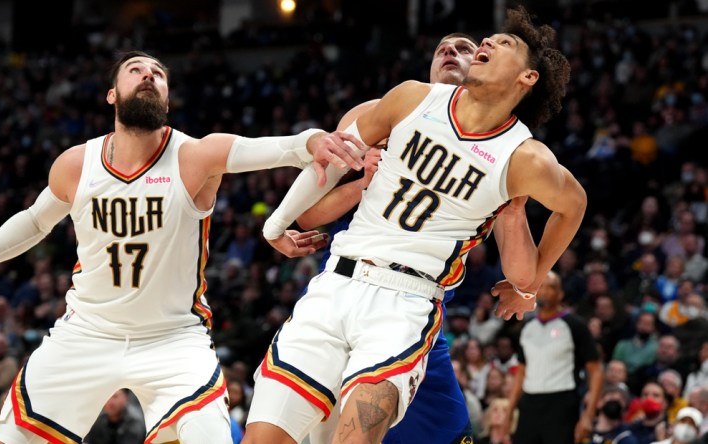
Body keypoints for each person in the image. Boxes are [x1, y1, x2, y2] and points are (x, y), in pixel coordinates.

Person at [0, 50, 364, 444]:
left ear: (167, 99)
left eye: (158, 73)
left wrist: (312, 141)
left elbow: (278, 148)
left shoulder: (194, 156)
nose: (149, 75)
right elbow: (34, 220)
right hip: (87, 331)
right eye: (136, 70)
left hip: (172, 338)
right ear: (112, 95)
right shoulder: (77, 164)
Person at [243, 6, 586, 443]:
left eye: (502, 43)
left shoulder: (523, 158)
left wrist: (531, 284)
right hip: (334, 285)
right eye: (487, 39)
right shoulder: (408, 98)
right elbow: (326, 163)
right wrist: (277, 223)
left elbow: (574, 205)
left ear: (528, 77)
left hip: (406, 302)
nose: (485, 43)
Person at [292, 32, 536, 444]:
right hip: (345, 290)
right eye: (442, 48)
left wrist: (527, 278)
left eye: (463, 48)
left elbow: (519, 255)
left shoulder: (505, 150)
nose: (450, 52)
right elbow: (309, 214)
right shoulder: (381, 114)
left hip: (415, 306)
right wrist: (365, 182)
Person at [507, 271, 603, 444]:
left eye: (550, 287)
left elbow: (595, 371)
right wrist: (509, 412)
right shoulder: (527, 327)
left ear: (560, 294)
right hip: (529, 403)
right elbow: (521, 371)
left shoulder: (575, 325)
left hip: (562, 403)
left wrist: (589, 415)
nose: (544, 291)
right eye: (540, 287)